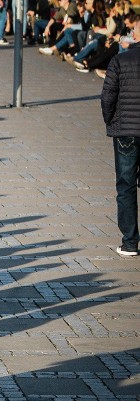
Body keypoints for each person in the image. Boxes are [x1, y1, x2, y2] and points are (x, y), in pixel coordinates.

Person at [101, 18, 140, 257]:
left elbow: (107, 97)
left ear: (136, 35)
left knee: (126, 186)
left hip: (126, 131)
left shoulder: (119, 60)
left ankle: (130, 242)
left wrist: (110, 120)